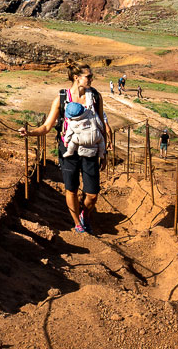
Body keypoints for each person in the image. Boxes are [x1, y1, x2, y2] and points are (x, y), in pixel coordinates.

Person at [20, 62, 111, 234]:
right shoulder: (61, 99)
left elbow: (100, 126)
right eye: (88, 76)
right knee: (72, 189)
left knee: (92, 194)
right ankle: (77, 223)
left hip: (90, 149)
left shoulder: (96, 97)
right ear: (77, 78)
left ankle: (85, 214)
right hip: (68, 149)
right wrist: (30, 133)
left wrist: (104, 152)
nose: (91, 79)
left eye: (91, 76)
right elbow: (47, 127)